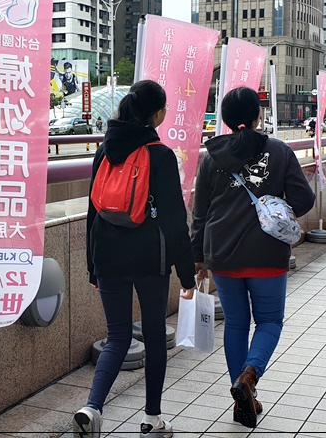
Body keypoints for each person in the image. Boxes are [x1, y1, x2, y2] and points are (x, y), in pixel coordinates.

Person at [76, 80, 196, 438]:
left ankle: (92, 407)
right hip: (149, 260)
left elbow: (92, 211)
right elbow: (175, 221)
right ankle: (152, 419)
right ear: (157, 114)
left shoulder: (104, 149)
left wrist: (92, 266)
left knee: (117, 338)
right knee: (155, 336)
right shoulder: (160, 155)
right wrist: (187, 277)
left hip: (108, 256)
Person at [191, 87, 314, 429]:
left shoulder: (211, 157)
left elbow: (199, 213)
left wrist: (196, 256)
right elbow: (305, 200)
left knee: (236, 324)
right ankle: (249, 377)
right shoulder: (279, 151)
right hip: (267, 253)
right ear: (258, 115)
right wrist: (275, 205)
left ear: (226, 120)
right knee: (270, 322)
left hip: (222, 253)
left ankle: (241, 397)